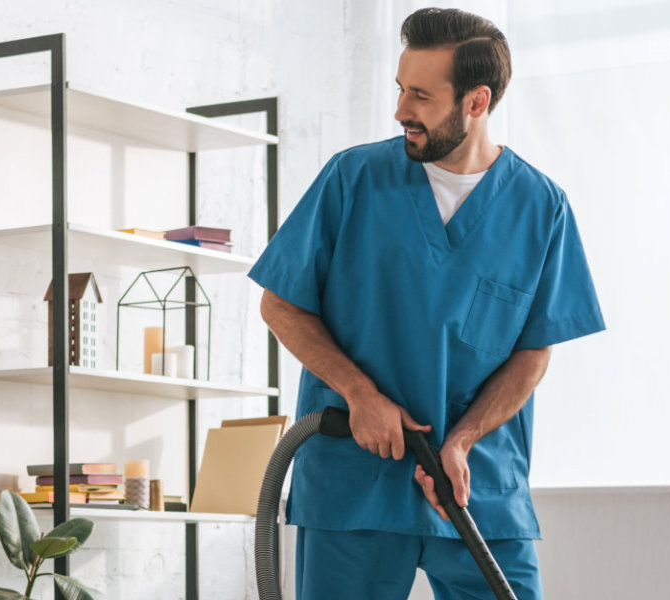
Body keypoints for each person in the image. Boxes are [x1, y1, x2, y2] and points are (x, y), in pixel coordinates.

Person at [250, 8, 606, 600]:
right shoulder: (352, 180)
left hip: (473, 487)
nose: (400, 111)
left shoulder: (541, 207)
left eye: (420, 95)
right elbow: (280, 306)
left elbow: (533, 353)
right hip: (353, 481)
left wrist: (462, 440)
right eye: (398, 88)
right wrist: (360, 397)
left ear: (475, 101)